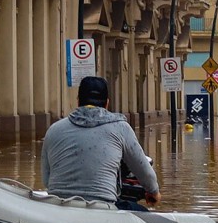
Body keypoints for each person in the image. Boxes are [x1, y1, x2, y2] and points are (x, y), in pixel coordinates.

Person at [40, 76, 160, 210]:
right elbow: (146, 173)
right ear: (107, 103)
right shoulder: (121, 128)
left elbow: (46, 179)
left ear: (78, 101)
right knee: (143, 212)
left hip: (58, 208)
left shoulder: (54, 129)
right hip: (103, 207)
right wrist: (153, 191)